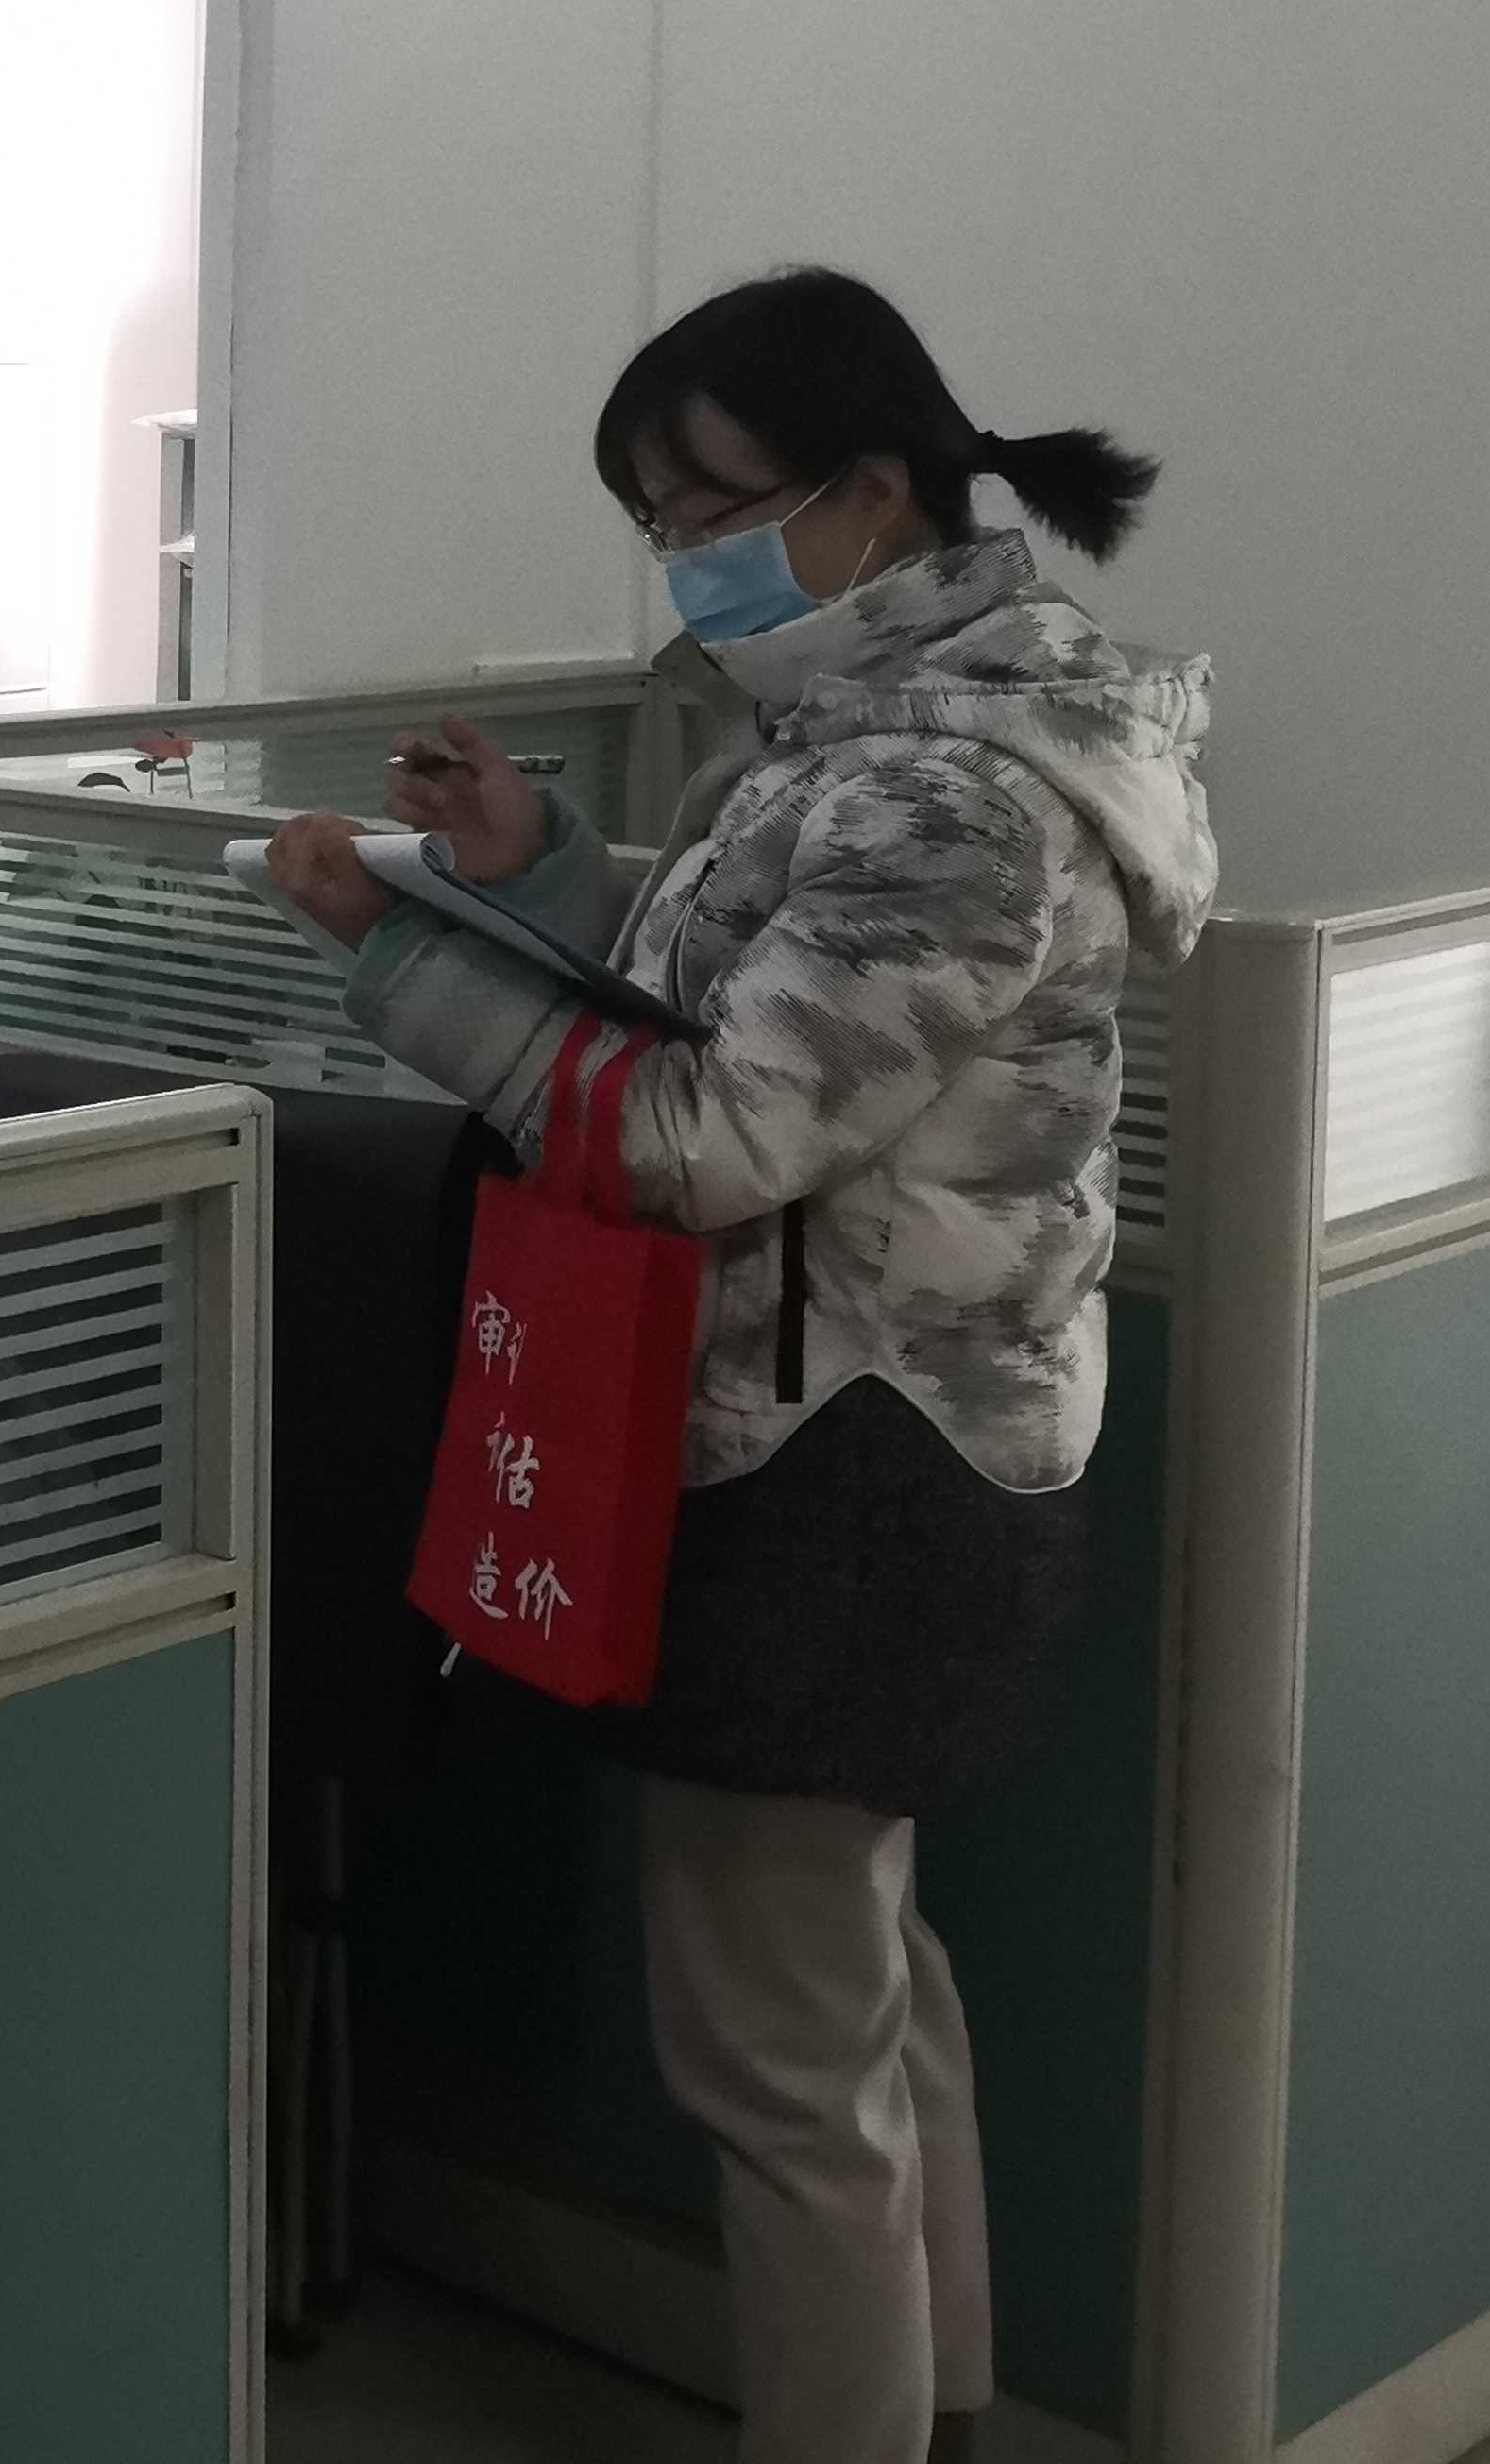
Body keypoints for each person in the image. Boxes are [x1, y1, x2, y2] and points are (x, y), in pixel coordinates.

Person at [262, 267, 1213, 2464]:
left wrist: (400, 963)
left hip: (841, 1462)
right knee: (860, 1999)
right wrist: (539, 875)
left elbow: (703, 1135)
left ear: (871, 490)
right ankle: (933, 2411)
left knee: (776, 2061)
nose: (681, 553)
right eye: (655, 515)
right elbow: (748, 990)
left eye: (708, 504)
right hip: (899, 1428)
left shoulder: (947, 793)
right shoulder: (878, 737)